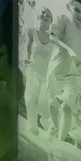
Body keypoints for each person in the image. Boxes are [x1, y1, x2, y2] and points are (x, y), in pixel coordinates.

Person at [49, 0, 81, 143]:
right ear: (68, 7)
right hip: (56, 73)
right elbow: (52, 36)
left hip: (74, 79)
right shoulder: (63, 20)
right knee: (52, 105)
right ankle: (56, 128)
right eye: (77, 10)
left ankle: (60, 142)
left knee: (66, 107)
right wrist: (69, 50)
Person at [22, 7, 57, 136]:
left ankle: (45, 120)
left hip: (47, 75)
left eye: (48, 14)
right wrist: (27, 59)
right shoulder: (32, 32)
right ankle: (32, 126)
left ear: (51, 21)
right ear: (39, 16)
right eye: (43, 13)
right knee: (31, 98)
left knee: (43, 103)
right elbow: (28, 48)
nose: (45, 15)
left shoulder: (53, 38)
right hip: (33, 69)